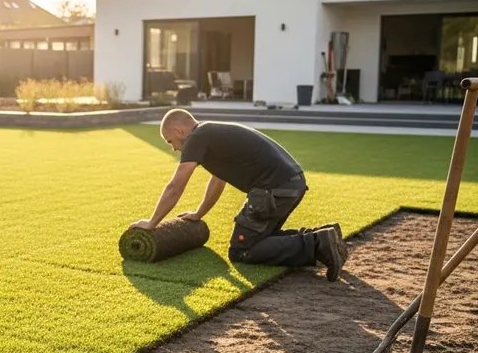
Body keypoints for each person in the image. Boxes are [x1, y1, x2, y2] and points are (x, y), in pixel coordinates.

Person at [129, 108, 349, 281]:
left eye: (170, 142)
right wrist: (198, 213)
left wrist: (151, 224)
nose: (174, 148)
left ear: (179, 131)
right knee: (260, 237)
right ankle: (325, 236)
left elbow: (175, 186)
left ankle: (317, 243)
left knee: (242, 250)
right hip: (291, 184)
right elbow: (218, 180)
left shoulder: (197, 138)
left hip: (274, 189)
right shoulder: (210, 134)